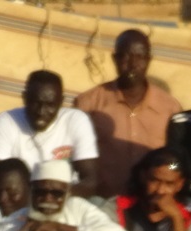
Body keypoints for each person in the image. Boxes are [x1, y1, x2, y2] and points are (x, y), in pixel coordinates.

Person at [74, 30, 182, 199]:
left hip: (149, 206)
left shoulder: (170, 108)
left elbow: (177, 160)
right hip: (100, 204)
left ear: (148, 60)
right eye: (125, 57)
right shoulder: (89, 104)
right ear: (115, 59)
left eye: (139, 57)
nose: (132, 64)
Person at [0, 160, 133, 231]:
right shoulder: (12, 226)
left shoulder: (78, 209)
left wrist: (60, 228)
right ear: (31, 191)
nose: (48, 199)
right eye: (41, 192)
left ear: (68, 194)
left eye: (56, 194)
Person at [0, 70, 99, 199]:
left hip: (64, 205)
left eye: (50, 105)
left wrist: (52, 200)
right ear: (24, 98)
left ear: (61, 102)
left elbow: (90, 181)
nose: (41, 111)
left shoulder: (77, 121)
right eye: (35, 103)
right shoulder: (6, 121)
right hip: (18, 206)